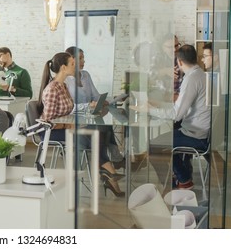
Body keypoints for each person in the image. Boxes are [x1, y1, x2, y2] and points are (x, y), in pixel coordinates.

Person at [38, 52, 124, 197]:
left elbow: (70, 109)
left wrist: (88, 107)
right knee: (93, 136)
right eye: (72, 63)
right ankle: (109, 172)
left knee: (98, 131)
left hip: (66, 128)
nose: (76, 66)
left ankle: (107, 171)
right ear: (64, 68)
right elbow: (48, 122)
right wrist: (69, 126)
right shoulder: (52, 89)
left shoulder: (63, 86)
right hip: (52, 132)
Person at [141, 45, 210, 190]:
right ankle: (182, 178)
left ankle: (182, 181)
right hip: (199, 131)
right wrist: (158, 105)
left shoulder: (191, 79)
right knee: (167, 139)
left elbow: (176, 114)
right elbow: (182, 106)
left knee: (153, 146)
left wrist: (150, 110)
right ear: (195, 58)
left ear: (179, 61)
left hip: (195, 135)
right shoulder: (202, 75)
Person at [64, 47, 124, 164]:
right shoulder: (66, 81)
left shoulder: (85, 75)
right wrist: (89, 105)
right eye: (80, 58)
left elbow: (96, 97)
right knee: (101, 128)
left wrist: (113, 99)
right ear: (71, 60)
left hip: (89, 117)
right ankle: (109, 162)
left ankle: (109, 162)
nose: (83, 61)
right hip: (75, 122)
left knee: (106, 126)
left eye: (83, 58)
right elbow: (69, 107)